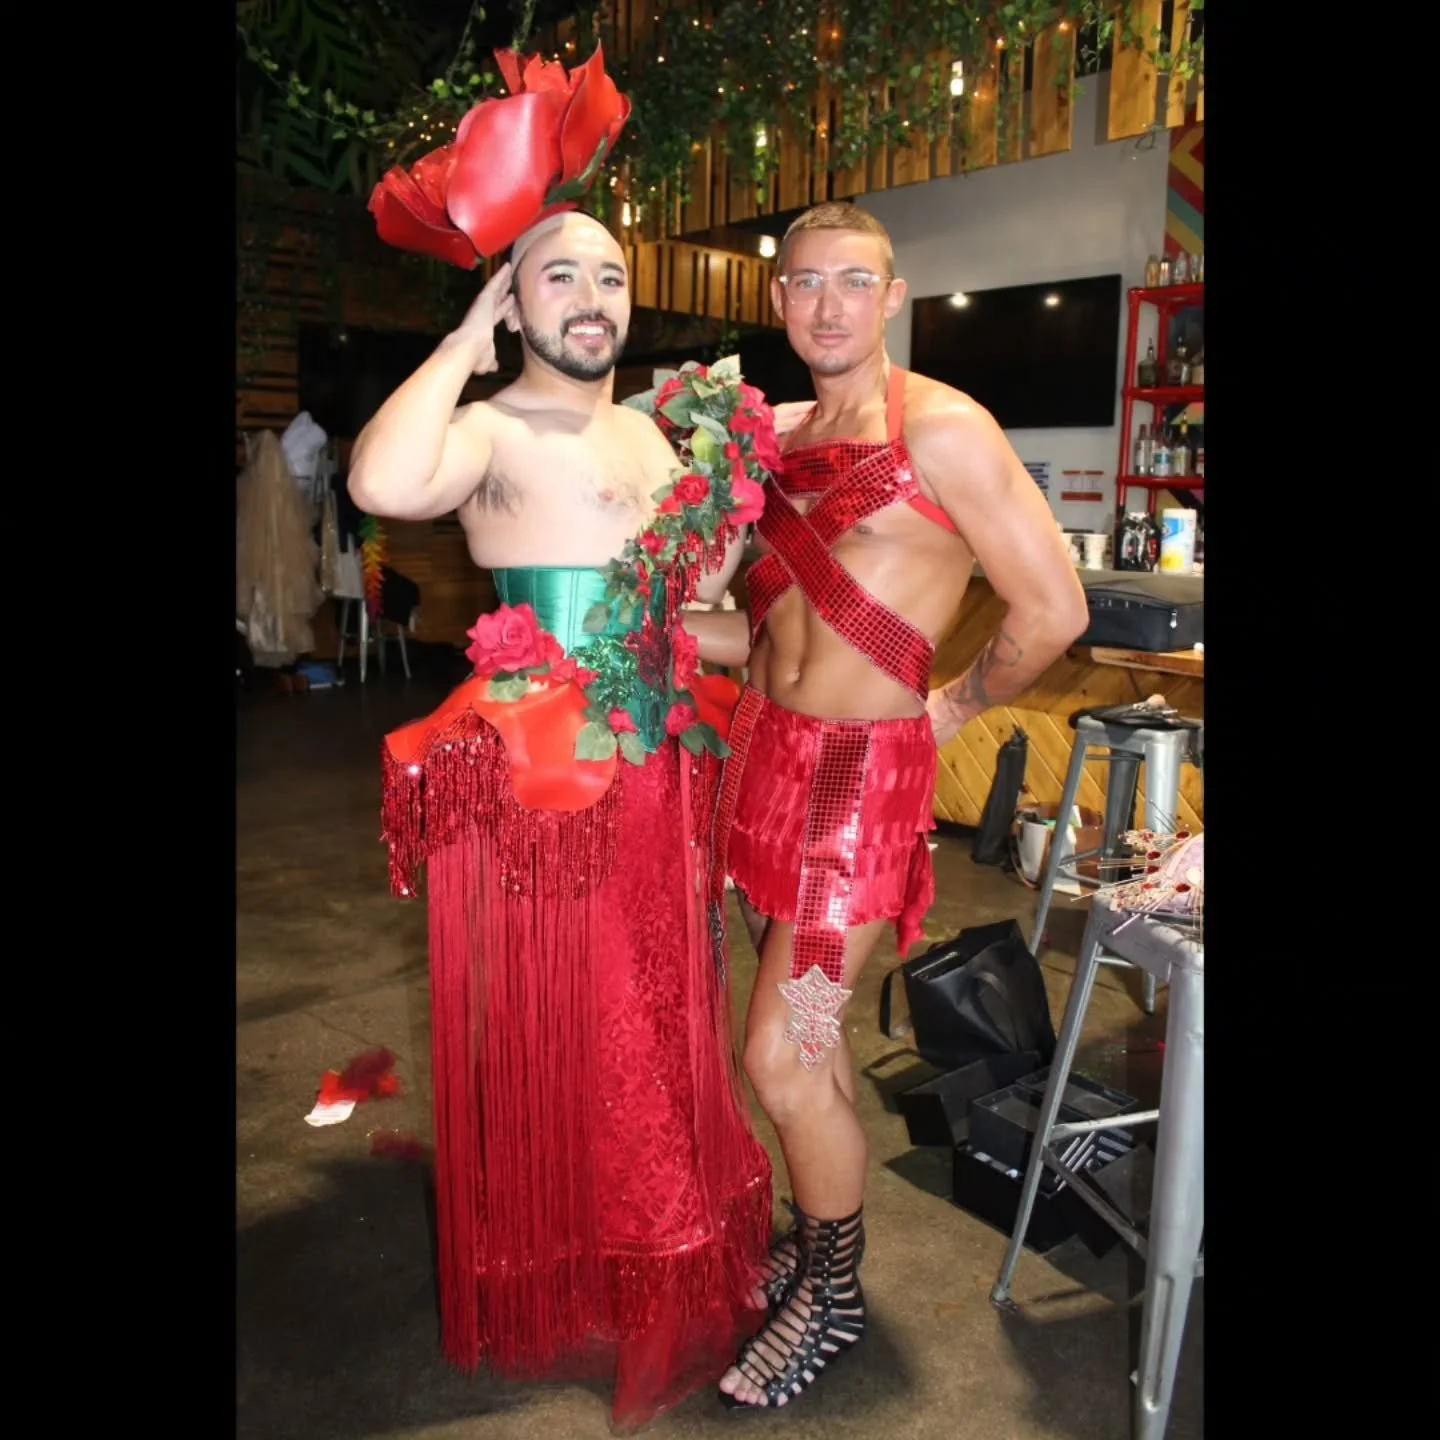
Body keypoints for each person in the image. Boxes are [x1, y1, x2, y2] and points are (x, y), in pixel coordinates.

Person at [349, 208, 774, 1429]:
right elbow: (382, 479)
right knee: (575, 1015)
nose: (591, 297)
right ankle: (599, 1258)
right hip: (545, 769)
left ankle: (660, 1235)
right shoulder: (486, 423)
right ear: (515, 303)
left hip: (660, 758)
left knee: (661, 1002)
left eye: (609, 276)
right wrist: (461, 341)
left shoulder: (655, 432)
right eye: (557, 278)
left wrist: (723, 553)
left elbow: (698, 598)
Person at [682, 201, 1091, 1410]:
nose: (825, 305)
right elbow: (757, 630)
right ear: (777, 302)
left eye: (850, 283)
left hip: (855, 797)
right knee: (798, 1048)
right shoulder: (775, 436)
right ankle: (817, 1243)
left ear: (893, 294)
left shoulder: (947, 429)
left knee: (788, 1054)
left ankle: (837, 1293)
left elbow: (1054, 611)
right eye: (803, 284)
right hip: (761, 768)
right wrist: (637, 627)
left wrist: (957, 707)